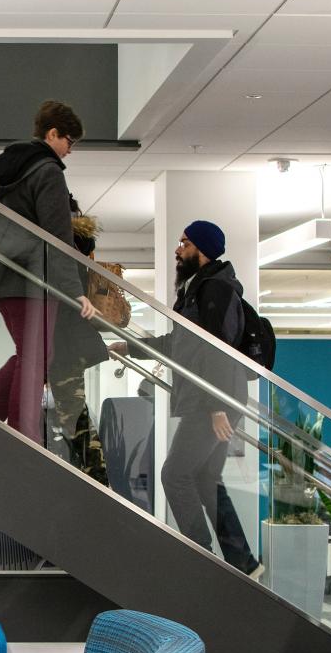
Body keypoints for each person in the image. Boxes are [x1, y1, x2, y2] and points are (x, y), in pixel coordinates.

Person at [110, 221, 263, 579]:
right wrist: (130, 346)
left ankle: (201, 556)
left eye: (185, 243)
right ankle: (243, 561)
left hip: (212, 400)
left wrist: (216, 406)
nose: (178, 249)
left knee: (174, 474)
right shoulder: (197, 290)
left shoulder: (215, 290)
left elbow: (219, 349)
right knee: (205, 477)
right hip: (212, 397)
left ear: (203, 249)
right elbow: (180, 346)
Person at [0, 101, 97, 443]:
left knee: (30, 354)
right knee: (37, 356)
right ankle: (21, 437)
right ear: (52, 133)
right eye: (70, 142)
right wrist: (75, 289)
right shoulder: (48, 170)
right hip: (32, 277)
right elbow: (57, 236)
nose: (70, 151)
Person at [46, 204, 109, 483]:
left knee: (75, 422)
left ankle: (98, 483)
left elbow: (60, 307)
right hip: (70, 345)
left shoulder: (61, 252)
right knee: (73, 418)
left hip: (65, 347)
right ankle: (94, 480)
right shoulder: (76, 249)